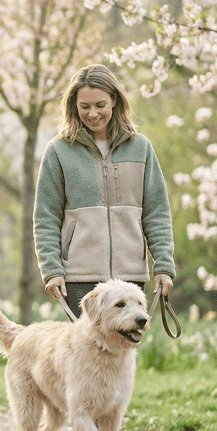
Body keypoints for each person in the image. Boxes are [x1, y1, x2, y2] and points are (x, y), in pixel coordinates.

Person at [34, 63, 175, 318]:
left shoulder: (140, 148)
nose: (93, 113)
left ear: (115, 101)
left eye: (100, 105)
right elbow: (46, 217)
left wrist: (164, 265)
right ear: (73, 106)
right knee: (86, 353)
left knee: (123, 354)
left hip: (130, 278)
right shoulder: (58, 151)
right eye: (84, 106)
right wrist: (52, 270)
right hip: (79, 277)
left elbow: (157, 213)